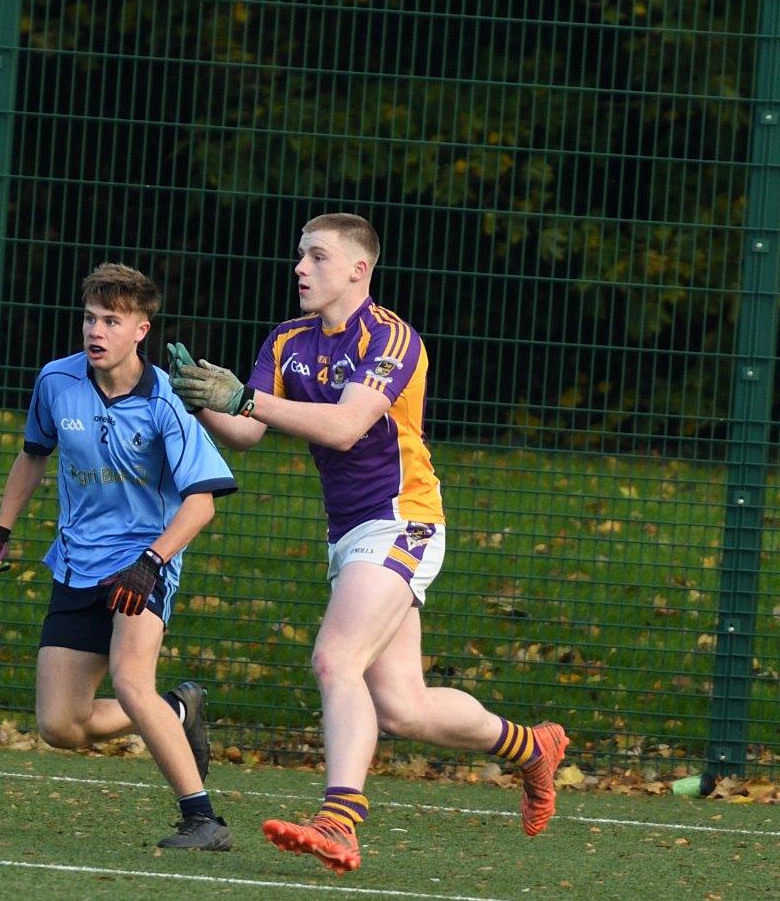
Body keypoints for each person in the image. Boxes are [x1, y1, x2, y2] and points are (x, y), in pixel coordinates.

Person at [169, 213, 568, 875]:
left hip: (403, 518)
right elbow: (246, 432)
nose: (301, 267)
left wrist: (243, 400)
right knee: (404, 707)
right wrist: (200, 399)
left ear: (359, 268)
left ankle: (340, 820)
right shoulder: (287, 340)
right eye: (300, 255)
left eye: (317, 256)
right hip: (351, 533)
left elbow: (349, 425)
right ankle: (531, 747)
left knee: (335, 658)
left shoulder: (391, 336)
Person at [0, 262, 239, 851]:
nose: (96, 332)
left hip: (143, 564)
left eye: (112, 321)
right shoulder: (56, 382)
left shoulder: (165, 403)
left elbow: (202, 504)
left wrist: (152, 562)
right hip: (76, 561)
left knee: (128, 681)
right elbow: (32, 455)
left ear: (141, 330)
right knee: (60, 726)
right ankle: (180, 707)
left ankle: (202, 819)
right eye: (90, 318)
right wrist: (0, 530)